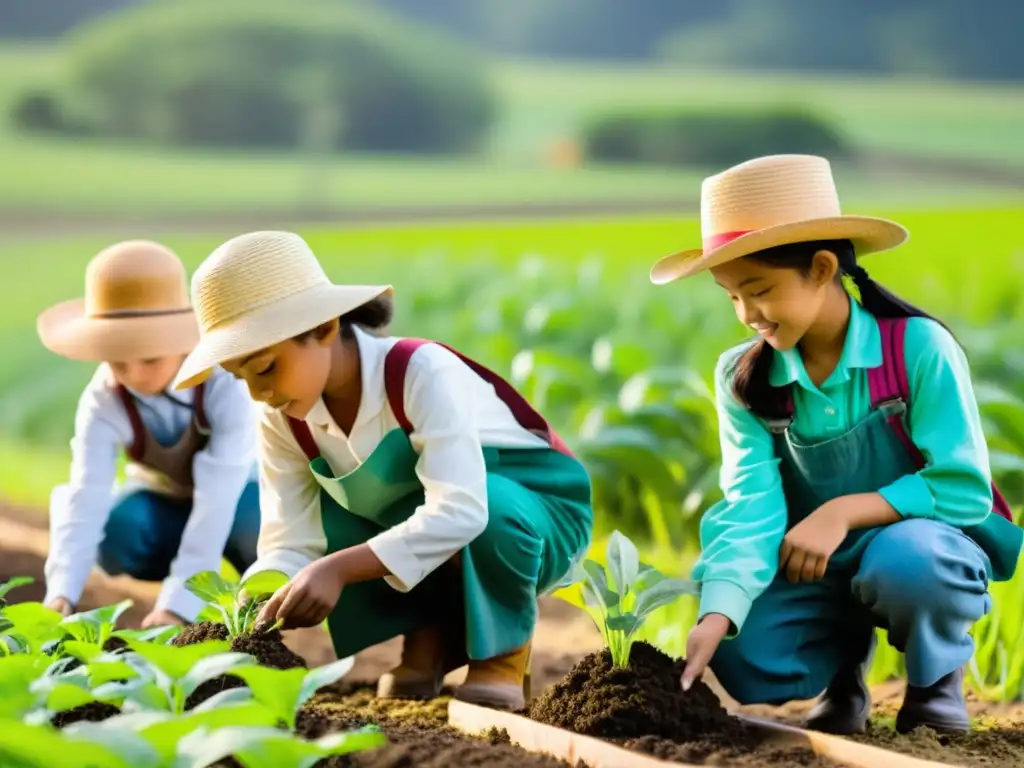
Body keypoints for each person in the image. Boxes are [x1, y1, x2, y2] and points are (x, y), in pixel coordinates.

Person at [649, 155, 1022, 735]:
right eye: (730, 297)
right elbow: (750, 503)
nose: (747, 315)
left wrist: (842, 511)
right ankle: (844, 668)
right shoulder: (742, 379)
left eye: (759, 289)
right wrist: (719, 609)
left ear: (823, 268)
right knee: (739, 642)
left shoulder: (918, 349)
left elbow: (962, 485)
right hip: (812, 559)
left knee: (911, 563)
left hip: (919, 546)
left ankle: (935, 680)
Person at [170, 230, 593, 711]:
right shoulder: (281, 416)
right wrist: (253, 602)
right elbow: (291, 539)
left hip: (535, 511)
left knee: (484, 506)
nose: (256, 393)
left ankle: (502, 654)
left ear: (325, 328)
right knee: (354, 505)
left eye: (265, 367)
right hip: (426, 511)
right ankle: (429, 635)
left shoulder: (420, 372)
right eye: (239, 377)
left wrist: (338, 569)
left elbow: (463, 509)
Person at [37, 240, 261, 628]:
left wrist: (176, 605)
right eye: (118, 359)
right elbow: (86, 493)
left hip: (241, 498)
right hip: (165, 505)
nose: (135, 375)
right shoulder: (104, 398)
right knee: (120, 530)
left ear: (185, 340)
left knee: (254, 527)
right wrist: (61, 592)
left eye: (151, 358)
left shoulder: (225, 383)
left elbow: (217, 498)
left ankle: (257, 612)